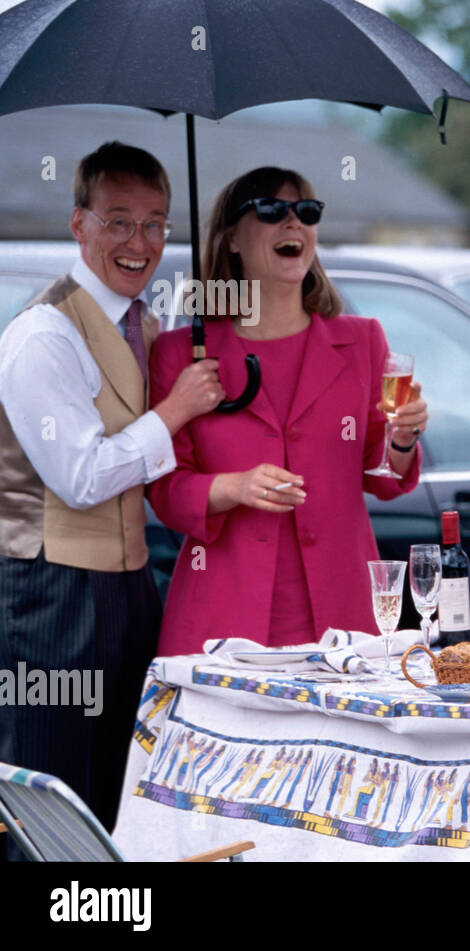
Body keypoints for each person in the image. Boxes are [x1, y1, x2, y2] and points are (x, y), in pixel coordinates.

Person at [0, 142, 222, 832]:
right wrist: (175, 409)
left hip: (128, 588)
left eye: (156, 222)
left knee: (116, 797)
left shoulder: (145, 326)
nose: (140, 242)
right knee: (50, 802)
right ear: (79, 224)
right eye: (119, 221)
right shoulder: (44, 332)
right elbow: (81, 476)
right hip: (51, 592)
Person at [148, 167, 428, 654]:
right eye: (272, 211)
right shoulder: (181, 353)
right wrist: (233, 486)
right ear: (232, 238)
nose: (293, 223)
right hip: (222, 616)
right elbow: (164, 491)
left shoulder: (361, 341)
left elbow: (383, 477)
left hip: (343, 617)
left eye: (307, 212)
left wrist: (403, 438)